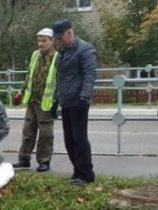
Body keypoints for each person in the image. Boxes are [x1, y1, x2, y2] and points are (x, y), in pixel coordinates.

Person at [51, 18, 97, 186]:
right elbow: (60, 79)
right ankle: (77, 171)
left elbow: (89, 75)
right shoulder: (62, 54)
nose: (57, 41)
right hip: (66, 101)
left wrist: (84, 97)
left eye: (59, 38)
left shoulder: (85, 49)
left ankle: (86, 174)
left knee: (79, 139)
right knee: (69, 140)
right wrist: (55, 101)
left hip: (79, 101)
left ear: (69, 33)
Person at [11, 28, 59, 173]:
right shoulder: (34, 55)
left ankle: (44, 161)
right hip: (32, 100)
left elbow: (60, 80)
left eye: (44, 40)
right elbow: (29, 76)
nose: (40, 44)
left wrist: (58, 99)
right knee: (28, 131)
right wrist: (21, 91)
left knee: (45, 134)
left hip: (46, 102)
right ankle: (24, 159)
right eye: (39, 40)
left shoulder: (58, 57)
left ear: (52, 41)